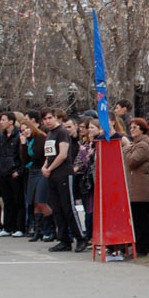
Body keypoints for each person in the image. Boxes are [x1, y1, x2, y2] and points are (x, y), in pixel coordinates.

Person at [41, 108, 88, 253]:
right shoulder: (49, 134)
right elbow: (49, 155)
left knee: (68, 207)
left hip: (63, 173)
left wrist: (50, 168)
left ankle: (80, 237)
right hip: (52, 175)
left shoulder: (61, 132)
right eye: (45, 119)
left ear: (56, 117)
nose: (47, 121)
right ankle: (63, 240)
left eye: (50, 118)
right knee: (57, 208)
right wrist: (45, 167)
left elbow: (62, 155)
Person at [123, 118, 149, 256]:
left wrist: (126, 148)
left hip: (140, 188)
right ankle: (139, 245)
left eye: (135, 127)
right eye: (131, 127)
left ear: (143, 129)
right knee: (137, 218)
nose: (132, 129)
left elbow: (132, 162)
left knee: (140, 218)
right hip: (134, 186)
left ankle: (143, 247)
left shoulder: (143, 146)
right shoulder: (136, 145)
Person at [19, 120, 54, 242]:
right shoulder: (30, 141)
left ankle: (50, 230)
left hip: (41, 171)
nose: (25, 132)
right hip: (32, 172)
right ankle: (38, 231)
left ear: (32, 127)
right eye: (22, 130)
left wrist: (29, 158)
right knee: (34, 202)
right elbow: (24, 159)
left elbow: (38, 156)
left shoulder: (40, 138)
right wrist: (23, 145)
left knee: (41, 201)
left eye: (26, 128)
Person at [0, 111, 25, 237]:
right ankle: (7, 226)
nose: (1, 122)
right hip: (3, 172)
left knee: (18, 200)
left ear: (11, 121)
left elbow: (22, 155)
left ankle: (19, 227)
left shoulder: (18, 136)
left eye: (4, 120)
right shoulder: (1, 137)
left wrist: (19, 170)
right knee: (7, 201)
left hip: (14, 172)